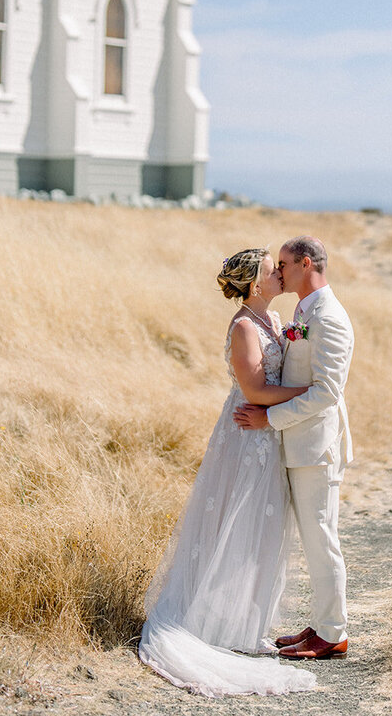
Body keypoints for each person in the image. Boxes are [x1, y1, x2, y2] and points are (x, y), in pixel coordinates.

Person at [138, 247, 317, 697]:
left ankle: (243, 622)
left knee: (265, 525)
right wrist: (310, 392)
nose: (280, 274)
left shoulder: (274, 323)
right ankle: (210, 621)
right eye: (271, 271)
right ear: (256, 284)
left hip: (268, 434)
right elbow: (254, 388)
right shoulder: (243, 327)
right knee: (235, 522)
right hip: (245, 437)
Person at [234, 235, 354, 660]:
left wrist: (270, 419)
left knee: (321, 536)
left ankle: (333, 633)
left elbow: (325, 392)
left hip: (314, 448)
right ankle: (322, 623)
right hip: (295, 444)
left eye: (283, 264)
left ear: (305, 264)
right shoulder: (304, 311)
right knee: (312, 535)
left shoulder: (330, 317)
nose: (278, 272)